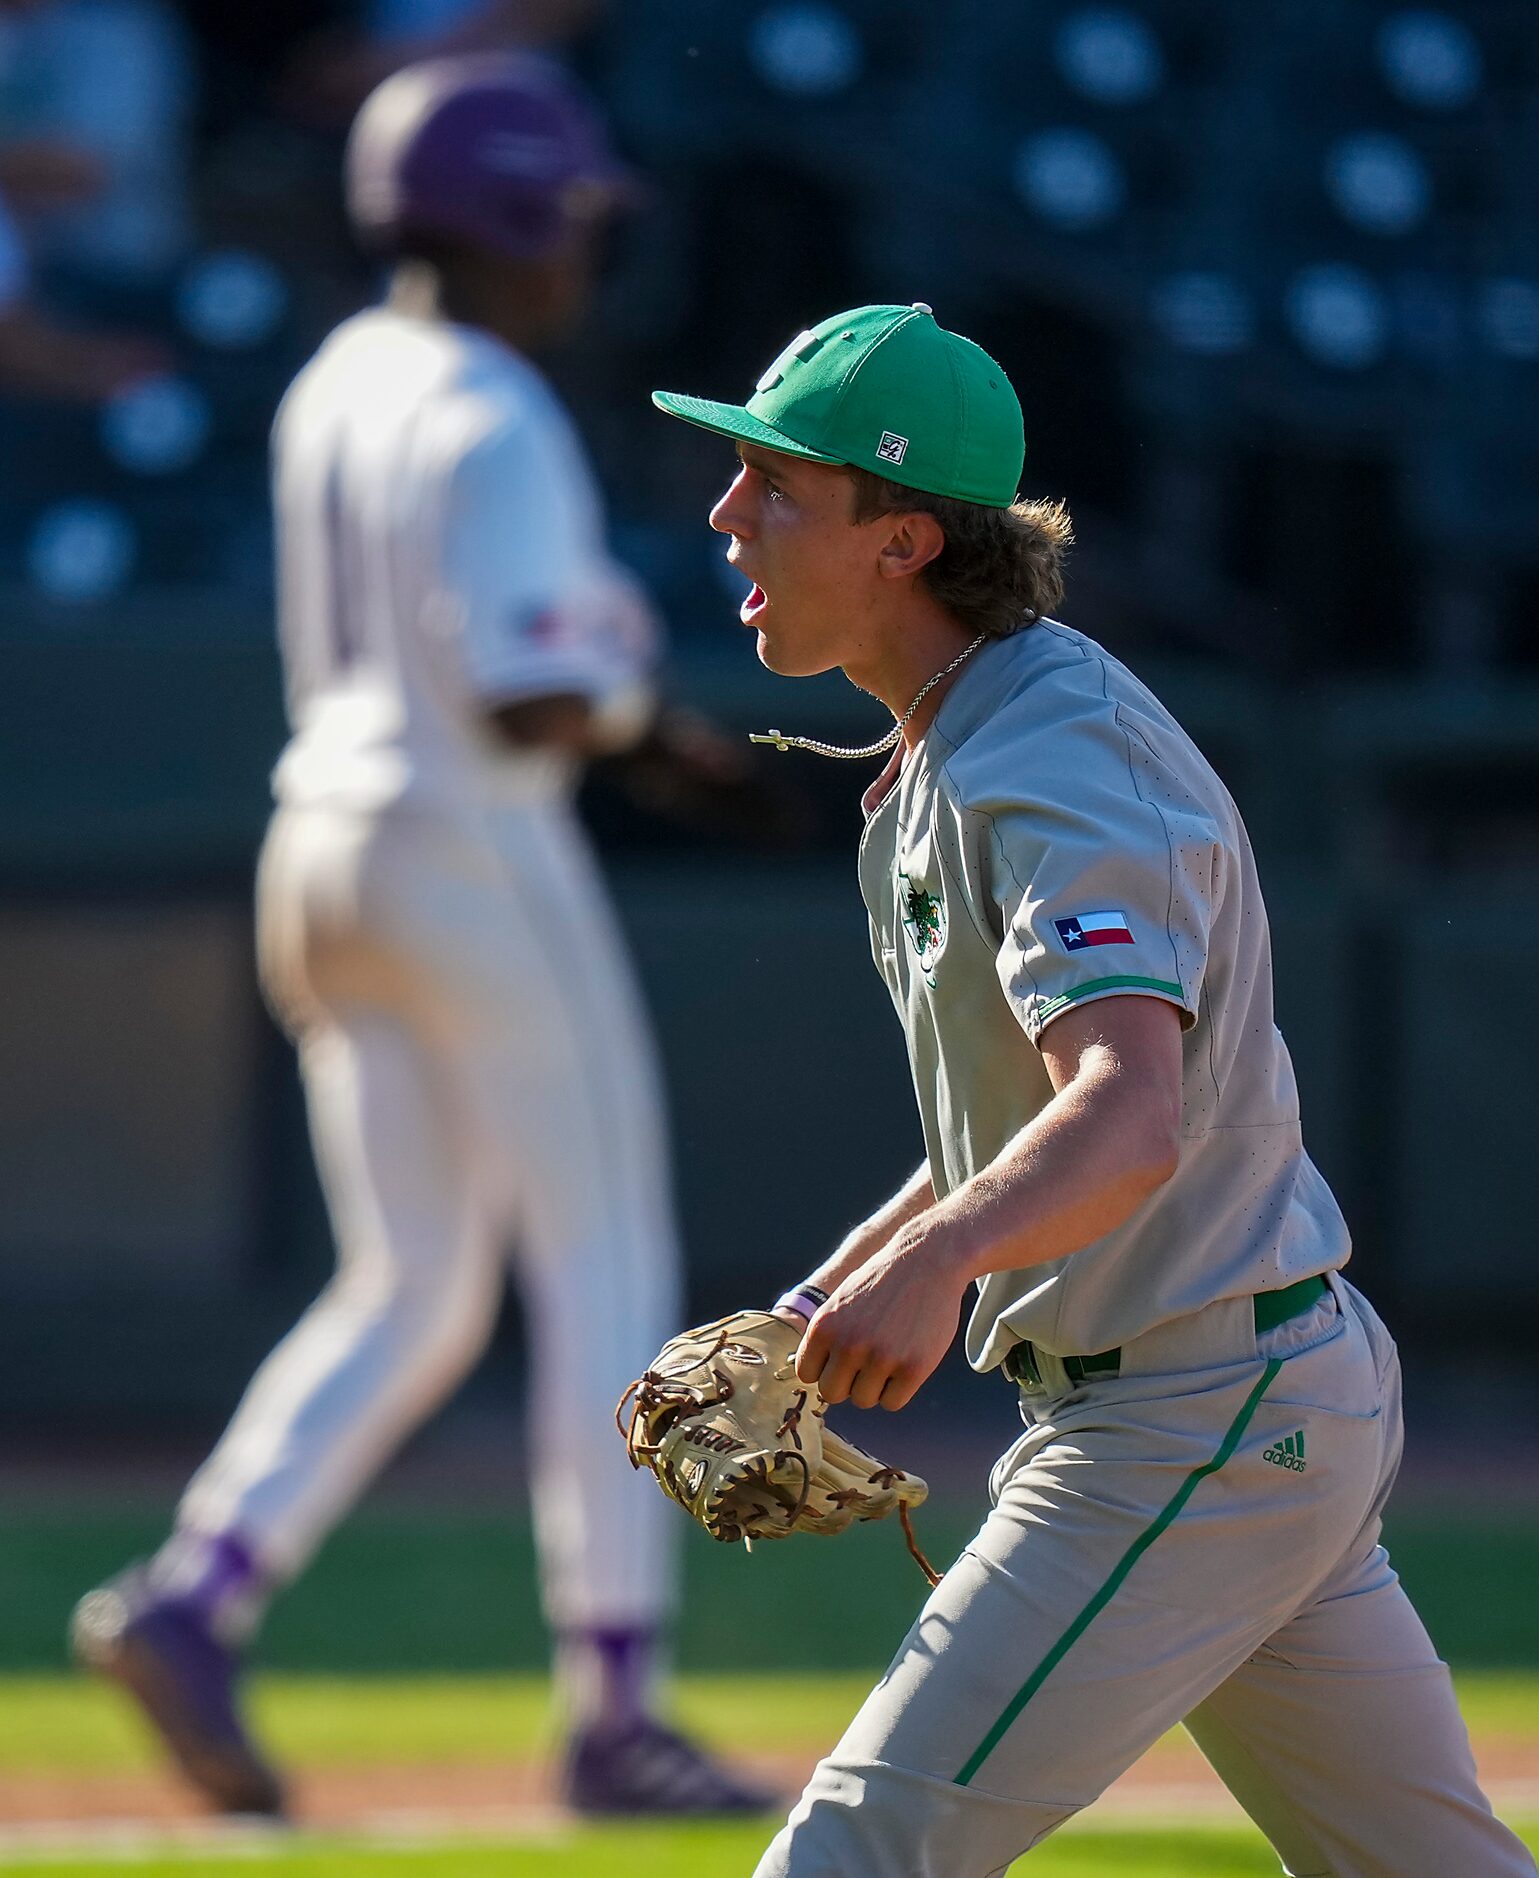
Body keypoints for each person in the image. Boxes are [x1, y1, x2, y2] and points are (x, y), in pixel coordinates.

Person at [652, 303, 1537, 1876]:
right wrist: (824, 1296)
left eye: (777, 485)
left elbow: (1125, 1113)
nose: (730, 514)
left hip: (1193, 1406)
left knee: (852, 1853)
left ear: (905, 542)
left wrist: (930, 1269)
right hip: (1247, 1386)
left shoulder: (1051, 755)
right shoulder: (960, 740)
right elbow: (1012, 1126)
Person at [71, 54, 771, 1821]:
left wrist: (629, 719)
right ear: (522, 219)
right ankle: (617, 1699)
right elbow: (532, 685)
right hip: (469, 836)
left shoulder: (337, 375)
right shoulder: (494, 400)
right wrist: (644, 717)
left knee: (414, 1279)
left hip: (320, 836)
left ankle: (198, 1592)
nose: (585, 254)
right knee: (605, 1251)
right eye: (573, 220)